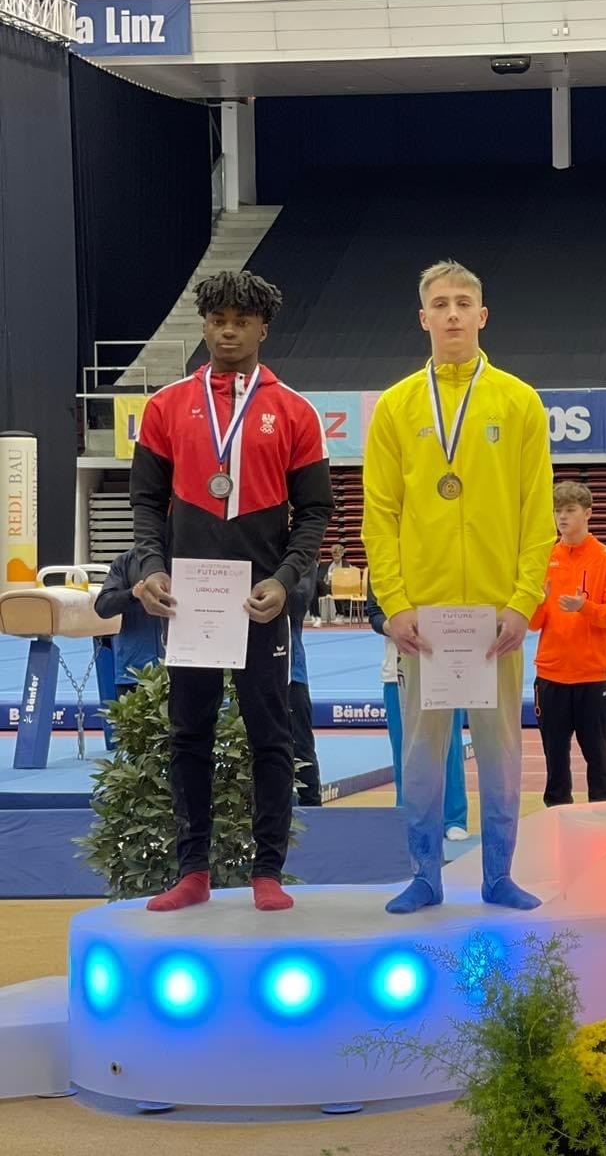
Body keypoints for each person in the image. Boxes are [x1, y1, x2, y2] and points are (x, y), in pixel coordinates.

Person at [129, 270, 332, 912]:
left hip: (261, 605)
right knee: (188, 734)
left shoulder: (294, 410)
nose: (228, 331)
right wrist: (149, 568)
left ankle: (267, 872)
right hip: (187, 603)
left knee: (272, 736)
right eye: (218, 320)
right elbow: (145, 503)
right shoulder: (165, 407)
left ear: (262, 329)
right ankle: (193, 872)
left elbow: (316, 512)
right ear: (204, 325)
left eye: (241, 321)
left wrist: (285, 579)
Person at [363, 259, 555, 914]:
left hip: (496, 616)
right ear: (423, 318)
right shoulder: (396, 406)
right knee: (423, 752)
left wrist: (522, 602)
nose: (452, 314)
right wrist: (395, 604)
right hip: (425, 618)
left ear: (482, 315)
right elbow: (379, 516)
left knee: (501, 752)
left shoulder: (519, 401)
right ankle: (425, 874)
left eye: (463, 303)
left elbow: (537, 512)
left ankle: (499, 875)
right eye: (440, 304)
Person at [529, 481, 606, 808]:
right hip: (551, 674)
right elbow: (533, 624)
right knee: (555, 758)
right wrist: (539, 601)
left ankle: (604, 814)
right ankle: (557, 816)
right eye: (558, 511)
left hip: (591, 675)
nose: (562, 517)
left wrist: (584, 607)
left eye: (570, 510)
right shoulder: (545, 557)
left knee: (597, 756)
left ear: (588, 513)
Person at [366, 585, 471, 840]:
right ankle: (408, 813)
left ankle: (453, 817)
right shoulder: (383, 566)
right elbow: (375, 613)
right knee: (404, 747)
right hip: (398, 670)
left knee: (450, 744)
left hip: (443, 664)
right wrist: (395, 627)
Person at [92, 547, 166, 748]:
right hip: (134, 672)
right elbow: (102, 607)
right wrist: (133, 594)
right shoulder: (125, 562)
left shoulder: (185, 558)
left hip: (179, 669)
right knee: (138, 750)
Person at [285, 562, 322, 806]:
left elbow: (299, 601)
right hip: (246, 671)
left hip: (291, 672)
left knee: (301, 747)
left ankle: (312, 807)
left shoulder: (301, 556)